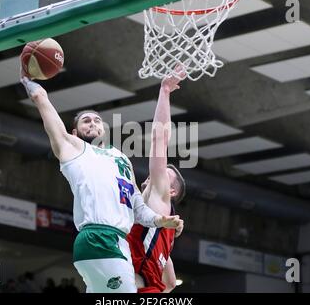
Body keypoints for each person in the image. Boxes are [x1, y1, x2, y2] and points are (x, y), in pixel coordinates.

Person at [20, 71, 184, 293]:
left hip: (119, 246)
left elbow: (138, 207)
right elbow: (45, 107)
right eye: (86, 121)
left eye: (97, 120)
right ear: (75, 132)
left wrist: (160, 220)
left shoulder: (121, 159)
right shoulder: (74, 150)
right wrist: (30, 84)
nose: (93, 123)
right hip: (98, 237)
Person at [127, 67, 186, 293]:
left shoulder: (159, 197)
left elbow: (159, 139)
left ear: (170, 191)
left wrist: (165, 91)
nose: (157, 173)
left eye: (164, 174)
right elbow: (170, 284)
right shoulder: (167, 235)